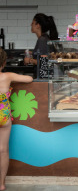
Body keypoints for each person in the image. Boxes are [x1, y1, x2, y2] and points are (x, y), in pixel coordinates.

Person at [0, 48, 33, 190]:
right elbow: (29, 78)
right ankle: (1, 184)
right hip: (4, 115)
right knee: (3, 150)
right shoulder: (7, 76)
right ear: (4, 62)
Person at [24, 13, 58, 78]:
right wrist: (33, 52)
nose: (31, 24)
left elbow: (44, 63)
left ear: (38, 25)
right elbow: (43, 54)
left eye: (33, 23)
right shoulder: (44, 38)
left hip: (44, 78)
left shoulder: (42, 40)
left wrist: (29, 60)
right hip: (45, 77)